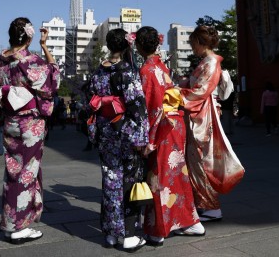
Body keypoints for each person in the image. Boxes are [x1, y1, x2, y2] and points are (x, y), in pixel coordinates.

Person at [0, 17, 60, 244]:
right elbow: (51, 81)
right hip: (30, 123)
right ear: (29, 36)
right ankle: (19, 226)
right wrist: (45, 47)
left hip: (10, 121)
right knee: (27, 173)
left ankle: (11, 222)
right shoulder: (30, 61)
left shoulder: (0, 61)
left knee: (12, 170)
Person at [135, 26, 204, 246]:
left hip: (162, 126)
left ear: (138, 46)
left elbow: (151, 106)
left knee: (160, 177)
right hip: (175, 124)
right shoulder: (162, 66)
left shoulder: (146, 70)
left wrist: (149, 139)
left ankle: (159, 230)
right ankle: (190, 221)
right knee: (178, 174)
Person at [86, 28, 149, 252]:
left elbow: (91, 102)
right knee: (128, 181)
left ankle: (111, 232)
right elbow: (137, 106)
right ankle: (128, 235)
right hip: (125, 131)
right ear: (126, 46)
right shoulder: (127, 71)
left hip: (105, 131)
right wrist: (142, 138)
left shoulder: (98, 73)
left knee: (110, 180)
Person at [179, 25, 245, 223]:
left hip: (203, 115)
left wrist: (175, 93)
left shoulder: (210, 64)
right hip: (201, 113)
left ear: (201, 42)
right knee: (197, 161)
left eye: (192, 44)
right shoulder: (207, 63)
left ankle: (211, 206)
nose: (192, 48)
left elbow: (200, 91)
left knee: (200, 161)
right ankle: (203, 204)